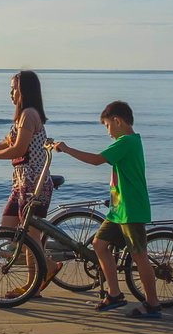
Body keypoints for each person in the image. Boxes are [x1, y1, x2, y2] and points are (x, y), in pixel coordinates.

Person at [53, 100, 161, 318]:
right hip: (118, 209)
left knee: (139, 256)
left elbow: (96, 160)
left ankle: (152, 303)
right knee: (99, 244)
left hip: (131, 209)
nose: (108, 131)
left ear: (117, 121)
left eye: (107, 126)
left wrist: (66, 149)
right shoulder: (128, 141)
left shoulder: (126, 142)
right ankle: (114, 293)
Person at [0, 70, 61, 289]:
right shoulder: (23, 116)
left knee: (29, 238)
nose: (10, 93)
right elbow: (9, 141)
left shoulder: (29, 115)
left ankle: (35, 283)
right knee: (8, 228)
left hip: (34, 185)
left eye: (13, 89)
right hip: (21, 184)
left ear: (23, 90)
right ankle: (45, 267)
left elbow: (19, 149)